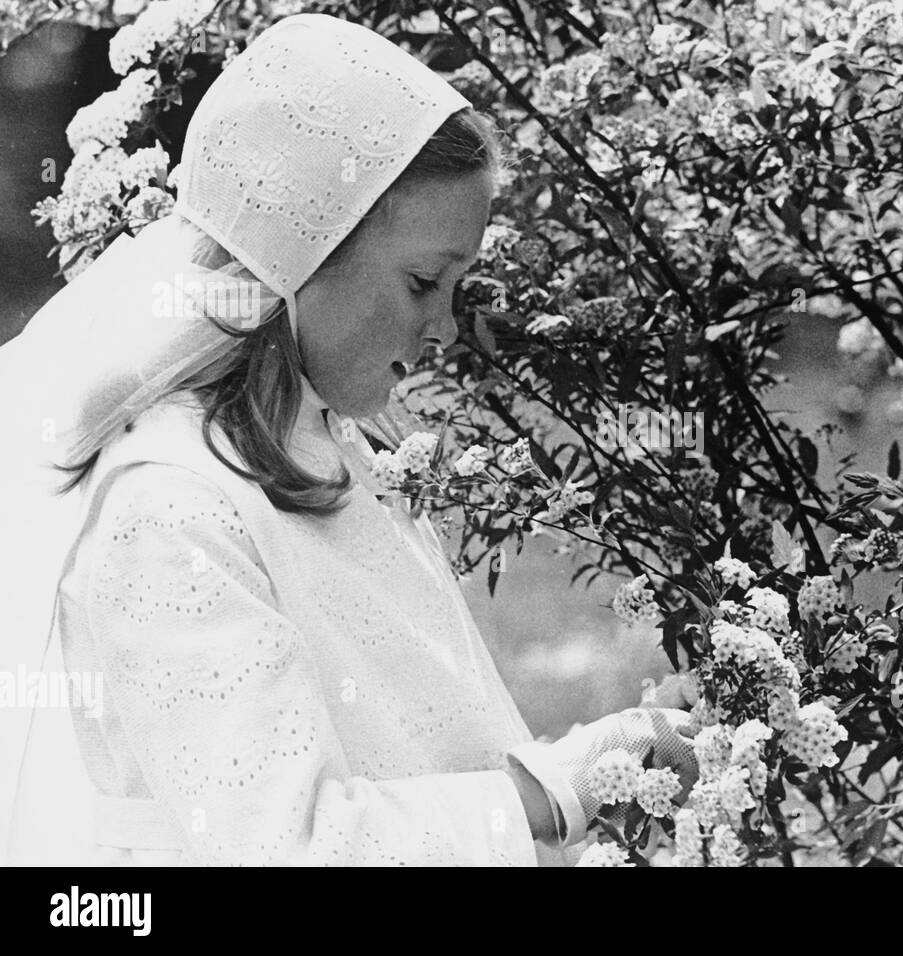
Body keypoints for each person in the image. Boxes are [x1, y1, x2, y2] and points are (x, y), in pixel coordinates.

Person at [0, 13, 697, 866]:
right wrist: (560, 791)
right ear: (303, 254)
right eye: (422, 282)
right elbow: (289, 848)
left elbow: (412, 754)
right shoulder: (170, 514)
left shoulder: (329, 451)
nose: (445, 326)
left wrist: (616, 755)